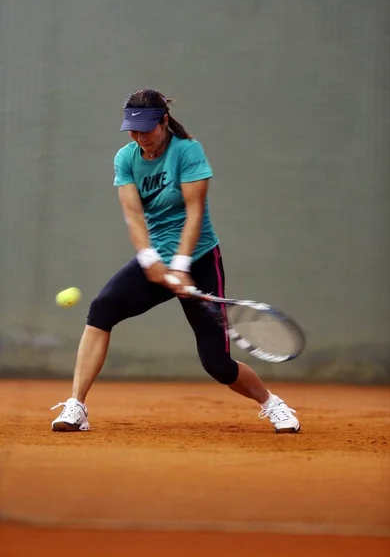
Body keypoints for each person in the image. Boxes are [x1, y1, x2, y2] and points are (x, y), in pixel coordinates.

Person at [51, 88, 300, 433]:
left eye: (147, 129)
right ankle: (76, 405)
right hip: (154, 258)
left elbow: (195, 212)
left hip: (198, 258)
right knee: (101, 310)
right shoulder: (126, 158)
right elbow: (134, 216)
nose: (141, 138)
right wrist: (150, 258)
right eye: (133, 131)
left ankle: (272, 404)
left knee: (218, 366)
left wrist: (181, 265)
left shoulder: (188, 151)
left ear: (164, 121)